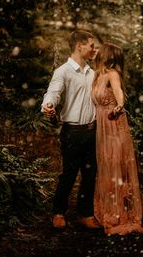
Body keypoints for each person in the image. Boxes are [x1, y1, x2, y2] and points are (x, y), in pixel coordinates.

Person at [92, 42, 143, 235]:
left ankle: (122, 213)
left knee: (117, 166)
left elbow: (119, 93)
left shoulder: (112, 74)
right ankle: (111, 208)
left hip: (114, 125)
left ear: (106, 55)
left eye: (100, 51)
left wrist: (119, 105)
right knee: (106, 164)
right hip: (102, 128)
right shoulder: (98, 75)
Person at [41, 30, 101, 230]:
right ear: (79, 46)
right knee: (69, 174)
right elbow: (53, 92)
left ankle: (85, 214)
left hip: (93, 131)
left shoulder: (93, 73)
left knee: (90, 174)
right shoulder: (63, 71)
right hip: (72, 133)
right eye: (91, 45)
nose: (94, 49)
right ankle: (58, 212)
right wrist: (48, 105)